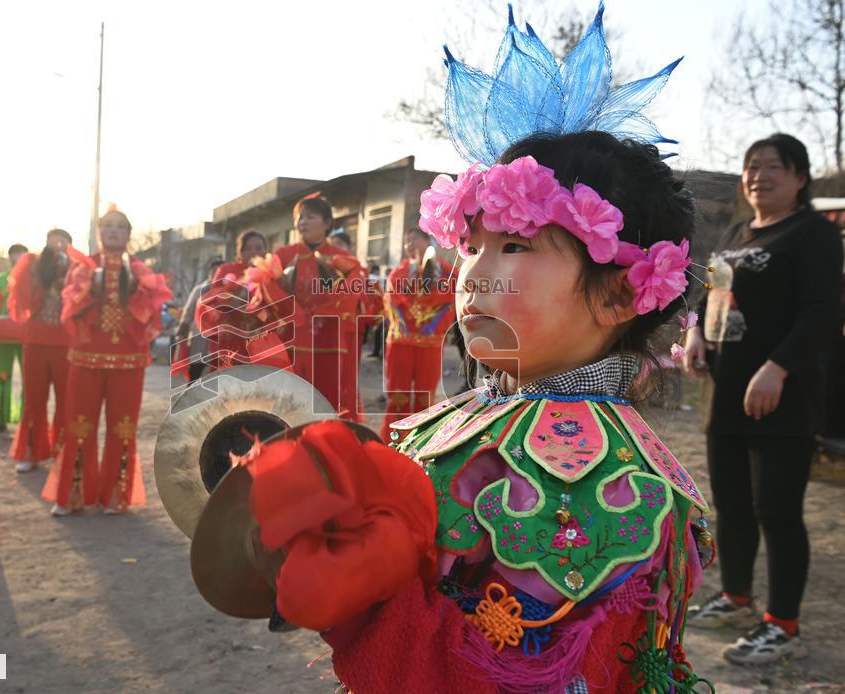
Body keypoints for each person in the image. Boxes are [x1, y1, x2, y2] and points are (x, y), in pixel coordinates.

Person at [194, 10, 715, 691]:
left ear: (619, 297)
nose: (473, 273)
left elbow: (502, 674)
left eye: (516, 247)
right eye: (471, 246)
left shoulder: (599, 479)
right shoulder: (477, 415)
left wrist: (362, 606)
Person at [683, 133, 842, 664]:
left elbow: (822, 313)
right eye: (751, 166)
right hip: (725, 393)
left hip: (782, 396)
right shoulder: (734, 232)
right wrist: (694, 335)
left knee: (776, 508)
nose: (759, 176)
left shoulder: (813, 235)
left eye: (774, 166)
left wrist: (778, 369)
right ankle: (735, 597)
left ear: (800, 177)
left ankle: (783, 622)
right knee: (731, 507)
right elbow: (710, 294)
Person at [42, 208, 171, 516]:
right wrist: (87, 293)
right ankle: (71, 495)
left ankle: (114, 495)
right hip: (86, 359)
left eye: (120, 227)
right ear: (99, 232)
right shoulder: (83, 269)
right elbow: (69, 306)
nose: (114, 231)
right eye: (108, 226)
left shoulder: (141, 271)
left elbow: (152, 314)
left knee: (123, 430)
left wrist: (140, 293)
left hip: (129, 363)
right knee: (79, 427)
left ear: (128, 234)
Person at [275, 194, 367, 420]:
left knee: (327, 402)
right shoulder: (283, 255)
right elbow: (268, 290)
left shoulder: (342, 258)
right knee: (288, 403)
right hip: (290, 341)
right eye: (299, 217)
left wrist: (319, 311)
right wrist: (291, 308)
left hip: (329, 341)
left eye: (310, 216)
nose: (302, 222)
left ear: (327, 223)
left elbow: (353, 292)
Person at [378, 228, 456, 440]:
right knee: (398, 395)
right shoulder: (399, 272)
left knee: (425, 397)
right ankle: (394, 439)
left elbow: (454, 297)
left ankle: (420, 440)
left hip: (430, 344)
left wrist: (430, 320)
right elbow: (393, 300)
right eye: (406, 241)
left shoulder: (447, 272)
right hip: (401, 343)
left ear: (427, 241)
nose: (409, 245)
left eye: (413, 240)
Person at [6, 229, 73, 473]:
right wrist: (46, 275)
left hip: (66, 345)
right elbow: (24, 301)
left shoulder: (77, 268)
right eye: (53, 240)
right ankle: (31, 451)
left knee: (67, 402)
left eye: (63, 240)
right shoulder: (33, 264)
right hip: (35, 342)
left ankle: (62, 450)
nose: (58, 243)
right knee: (34, 400)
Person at [0, 243, 27, 434]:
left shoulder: (31, 281)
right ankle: (0, 418)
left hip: (26, 337)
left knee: (29, 379)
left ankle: (27, 418)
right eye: (14, 254)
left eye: (21, 254)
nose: (17, 257)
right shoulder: (0, 280)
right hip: (3, 335)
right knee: (2, 376)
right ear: (9, 257)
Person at [176, 257, 225, 380]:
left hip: (221, 340)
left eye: (220, 271)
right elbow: (188, 311)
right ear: (209, 272)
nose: (217, 274)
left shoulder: (230, 291)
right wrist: (183, 330)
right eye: (215, 271)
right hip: (200, 337)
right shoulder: (200, 290)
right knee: (195, 372)